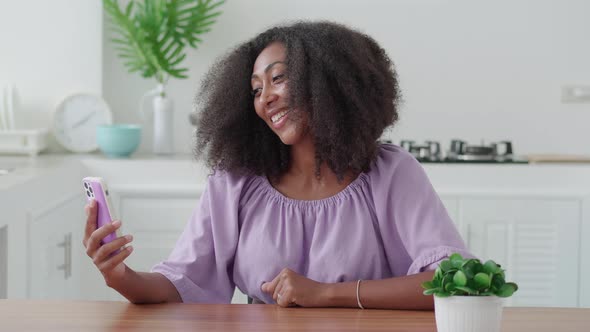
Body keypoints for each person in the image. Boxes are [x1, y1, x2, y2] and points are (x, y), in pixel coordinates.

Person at [83, 21, 471, 309]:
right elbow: (181, 283)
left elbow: (454, 283)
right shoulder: (236, 181)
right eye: (255, 89)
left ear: (328, 82)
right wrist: (121, 277)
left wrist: (326, 293)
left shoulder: (389, 173)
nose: (265, 98)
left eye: (278, 79)